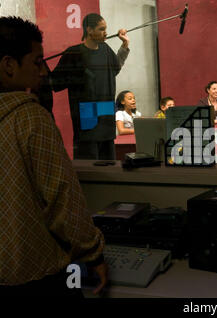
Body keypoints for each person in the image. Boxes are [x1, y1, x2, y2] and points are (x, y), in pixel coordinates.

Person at [0, 16, 107, 297]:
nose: (43, 72)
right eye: (37, 62)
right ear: (9, 66)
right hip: (36, 276)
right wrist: (93, 255)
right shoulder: (30, 117)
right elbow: (62, 197)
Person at [50, 13, 130, 160]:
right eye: (101, 29)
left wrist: (124, 45)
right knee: (89, 163)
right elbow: (55, 82)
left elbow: (115, 69)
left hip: (106, 117)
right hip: (87, 121)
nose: (105, 32)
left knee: (109, 164)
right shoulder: (74, 53)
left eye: (106, 29)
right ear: (89, 30)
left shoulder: (105, 49)